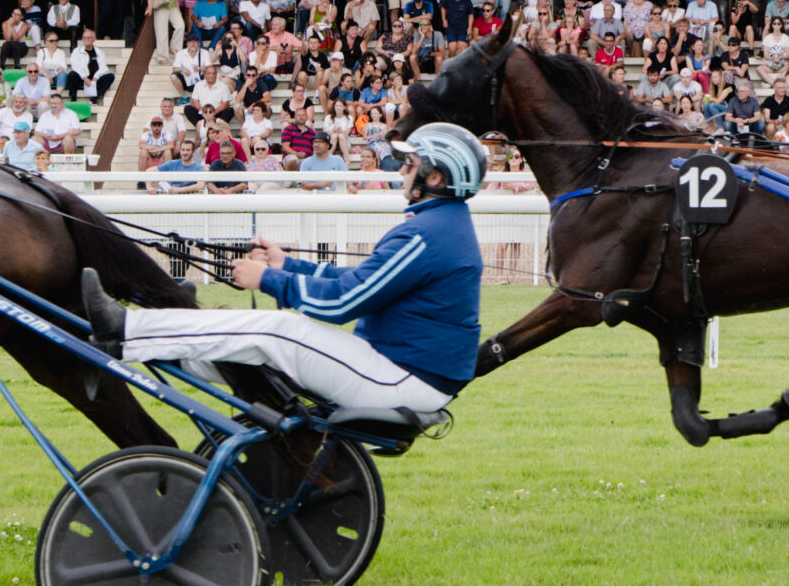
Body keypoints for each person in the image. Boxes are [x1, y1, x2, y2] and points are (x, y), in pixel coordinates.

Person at [80, 122, 491, 414]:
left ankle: (124, 331)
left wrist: (269, 279)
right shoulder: (440, 224)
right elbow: (357, 282)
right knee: (248, 347)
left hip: (406, 380)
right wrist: (286, 263)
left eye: (410, 164)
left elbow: (344, 302)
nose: (401, 170)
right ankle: (142, 344)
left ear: (435, 177)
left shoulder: (427, 233)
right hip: (406, 373)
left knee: (277, 330)